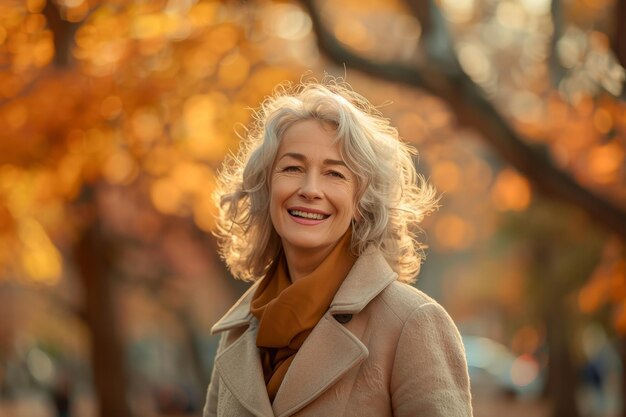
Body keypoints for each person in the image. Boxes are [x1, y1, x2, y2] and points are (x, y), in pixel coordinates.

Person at [204, 78, 473, 417]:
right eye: (292, 168)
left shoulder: (411, 323)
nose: (311, 189)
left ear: (362, 200)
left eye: (335, 174)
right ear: (266, 187)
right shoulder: (238, 333)